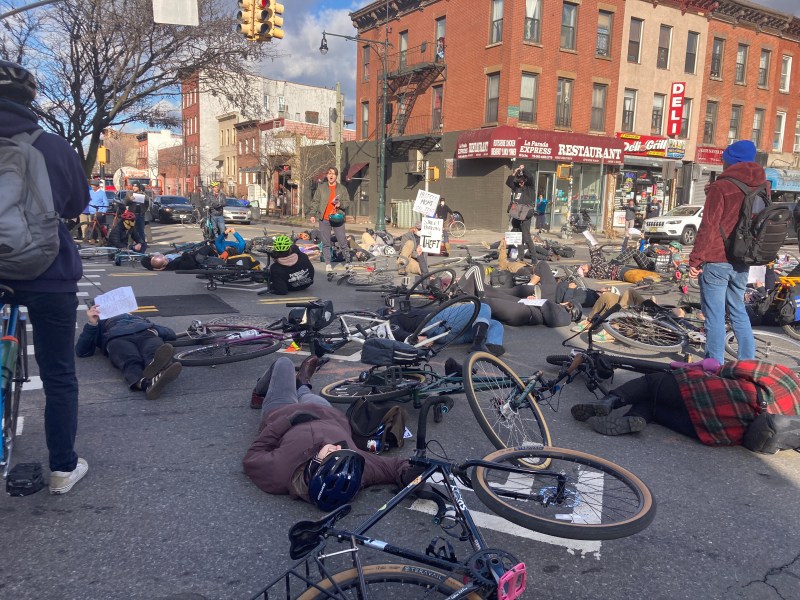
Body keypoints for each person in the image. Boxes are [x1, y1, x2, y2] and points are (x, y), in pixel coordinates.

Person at [0, 60, 89, 494]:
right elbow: (76, 205)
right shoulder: (53, 146)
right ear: (29, 101)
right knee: (58, 375)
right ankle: (62, 468)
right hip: (48, 272)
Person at [243, 356, 417, 510]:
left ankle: (259, 394)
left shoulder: (279, 473)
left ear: (313, 468)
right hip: (325, 412)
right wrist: (410, 476)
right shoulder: (357, 468)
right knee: (307, 393)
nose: (334, 447)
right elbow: (395, 466)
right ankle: (303, 383)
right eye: (340, 451)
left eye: (330, 454)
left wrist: (287, 421)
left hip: (283, 409)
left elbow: (254, 453)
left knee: (284, 363)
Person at [570, 359, 800, 449]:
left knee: (654, 382)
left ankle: (610, 401)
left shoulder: (786, 375)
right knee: (656, 404)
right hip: (724, 432)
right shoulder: (795, 410)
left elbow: (731, 369)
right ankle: (635, 419)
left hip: (723, 400)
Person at [688, 140, 761, 364]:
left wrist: (695, 259)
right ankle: (747, 362)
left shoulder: (722, 186)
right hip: (742, 259)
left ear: (730, 160)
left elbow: (708, 226)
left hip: (717, 259)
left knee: (715, 316)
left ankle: (714, 365)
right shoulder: (761, 185)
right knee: (738, 310)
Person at [75, 306, 182, 400]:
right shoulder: (101, 323)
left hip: (145, 333)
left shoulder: (138, 318)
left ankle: (154, 369)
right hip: (117, 337)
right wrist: (92, 323)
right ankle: (147, 381)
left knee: (153, 351)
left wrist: (154, 328)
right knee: (131, 359)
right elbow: (82, 351)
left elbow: (171, 334)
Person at [308, 167, 350, 272]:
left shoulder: (342, 188)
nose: (331, 175)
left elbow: (347, 203)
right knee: (326, 242)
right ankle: (328, 263)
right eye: (329, 173)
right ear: (327, 175)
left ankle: (348, 261)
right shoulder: (321, 188)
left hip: (337, 218)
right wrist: (312, 214)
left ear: (336, 176)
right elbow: (315, 201)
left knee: (342, 241)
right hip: (324, 219)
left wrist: (340, 204)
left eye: (333, 174)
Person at [577, 242, 661, 284]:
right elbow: (596, 261)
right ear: (584, 270)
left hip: (618, 266)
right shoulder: (593, 272)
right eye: (583, 266)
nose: (585, 264)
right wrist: (591, 248)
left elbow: (599, 259)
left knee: (632, 250)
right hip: (620, 272)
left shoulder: (594, 268)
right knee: (638, 275)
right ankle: (653, 272)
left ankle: (653, 270)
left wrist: (596, 248)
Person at [505, 164, 535, 262]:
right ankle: (520, 257)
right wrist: (514, 173)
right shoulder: (517, 188)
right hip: (517, 215)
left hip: (526, 216)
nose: (520, 183)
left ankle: (534, 259)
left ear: (525, 181)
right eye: (519, 181)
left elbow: (530, 177)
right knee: (517, 237)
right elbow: (509, 182)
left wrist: (523, 169)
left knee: (526, 237)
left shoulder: (530, 187)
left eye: (522, 181)